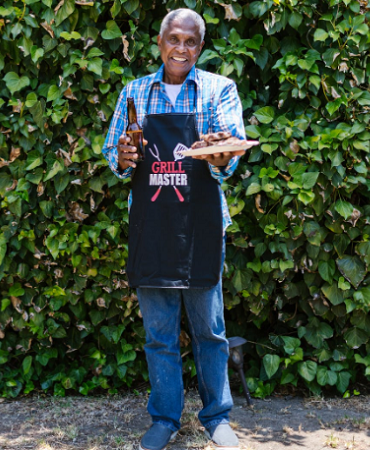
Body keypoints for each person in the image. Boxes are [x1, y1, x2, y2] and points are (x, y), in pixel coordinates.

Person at [101, 8, 247, 450]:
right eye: (174, 39)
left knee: (210, 331)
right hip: (152, 227)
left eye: (190, 42)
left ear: (200, 48)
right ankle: (164, 419)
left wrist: (219, 155)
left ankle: (217, 417)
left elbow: (231, 152)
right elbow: (114, 152)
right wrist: (124, 157)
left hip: (202, 228)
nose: (181, 48)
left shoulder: (219, 90)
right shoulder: (134, 93)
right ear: (160, 42)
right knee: (159, 334)